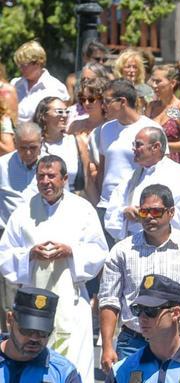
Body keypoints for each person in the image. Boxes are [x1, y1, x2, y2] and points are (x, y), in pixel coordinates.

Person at [0, 155, 108, 383]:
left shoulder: (82, 209)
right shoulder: (22, 212)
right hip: (32, 306)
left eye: (52, 176)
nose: (46, 181)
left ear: (65, 178)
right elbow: (4, 254)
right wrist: (29, 254)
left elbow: (99, 251)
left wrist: (70, 251)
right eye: (41, 176)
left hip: (71, 300)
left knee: (74, 360)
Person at [99, 183, 180, 373]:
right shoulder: (121, 251)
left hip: (178, 340)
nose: (150, 217)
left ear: (171, 212)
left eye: (156, 212)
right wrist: (107, 346)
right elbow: (109, 301)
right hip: (133, 341)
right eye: (144, 212)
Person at [104, 127, 180, 240]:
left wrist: (154, 214)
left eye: (138, 145)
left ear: (156, 147)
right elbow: (112, 213)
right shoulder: (131, 179)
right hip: (136, 244)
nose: (133, 149)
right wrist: (125, 213)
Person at [93, 79, 162, 220]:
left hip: (136, 207)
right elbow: (102, 169)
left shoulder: (151, 128)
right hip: (107, 206)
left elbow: (159, 170)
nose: (103, 106)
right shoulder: (105, 129)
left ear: (122, 102)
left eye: (107, 101)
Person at [1, 287, 82, 382]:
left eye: (43, 332)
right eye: (27, 330)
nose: (35, 338)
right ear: (10, 320)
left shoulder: (64, 372)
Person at [33, 97, 90, 194]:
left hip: (71, 201)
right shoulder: (35, 145)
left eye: (67, 112)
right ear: (44, 116)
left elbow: (89, 181)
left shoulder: (77, 142)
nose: (64, 115)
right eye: (59, 111)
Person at [11, 40, 69, 123]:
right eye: (19, 65)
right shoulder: (15, 84)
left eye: (24, 65)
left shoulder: (56, 87)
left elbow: (61, 120)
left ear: (38, 63)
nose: (20, 69)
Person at [146, 64, 180, 166]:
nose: (154, 85)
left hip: (173, 164)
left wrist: (162, 146)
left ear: (172, 83)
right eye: (153, 81)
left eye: (158, 81)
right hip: (151, 164)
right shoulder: (151, 107)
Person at [0, 123, 41, 224]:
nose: (28, 153)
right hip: (7, 231)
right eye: (23, 148)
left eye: (33, 148)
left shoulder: (52, 166)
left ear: (42, 143)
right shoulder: (2, 165)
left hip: (41, 229)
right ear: (15, 143)